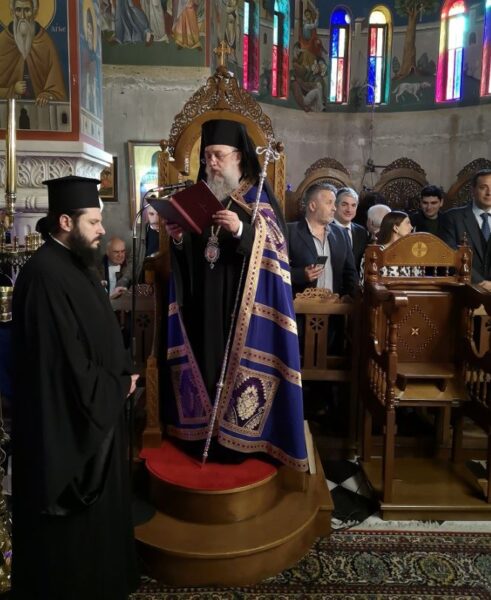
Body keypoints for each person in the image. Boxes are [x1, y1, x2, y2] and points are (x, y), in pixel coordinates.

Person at [11, 175, 139, 599]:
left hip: (98, 412)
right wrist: (115, 387)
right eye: (94, 221)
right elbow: (61, 367)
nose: (102, 229)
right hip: (71, 428)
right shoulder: (44, 276)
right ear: (65, 221)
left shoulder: (74, 262)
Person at [164, 119, 308, 471]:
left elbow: (277, 252)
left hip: (242, 308)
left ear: (239, 157)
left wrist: (243, 230)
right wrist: (178, 238)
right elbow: (192, 254)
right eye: (207, 156)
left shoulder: (257, 198)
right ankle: (203, 434)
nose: (211, 163)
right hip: (203, 302)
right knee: (206, 363)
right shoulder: (200, 196)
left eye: (218, 155)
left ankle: (239, 440)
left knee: (233, 369)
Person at [288, 182, 359, 298]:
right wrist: (300, 275)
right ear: (312, 206)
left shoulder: (341, 233)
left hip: (335, 306)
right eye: (329, 203)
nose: (334, 208)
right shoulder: (289, 232)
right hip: (299, 306)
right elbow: (276, 269)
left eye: (334, 203)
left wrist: (352, 301)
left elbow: (350, 273)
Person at [0, 0, 67, 104]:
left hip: (40, 111)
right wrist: (12, 90)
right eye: (18, 10)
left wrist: (47, 95)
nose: (22, 16)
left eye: (27, 10)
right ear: (12, 12)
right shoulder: (3, 41)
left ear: (34, 12)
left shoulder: (45, 43)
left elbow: (57, 89)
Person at [439, 169, 491, 289]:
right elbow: (450, 255)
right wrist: (479, 283)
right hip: (464, 290)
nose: (489, 193)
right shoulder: (452, 218)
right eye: (483, 187)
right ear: (473, 190)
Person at [360, 210, 415, 283]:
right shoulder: (375, 252)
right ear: (396, 228)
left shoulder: (411, 253)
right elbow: (364, 282)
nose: (411, 227)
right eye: (407, 223)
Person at [333, 187, 369, 269]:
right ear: (335, 205)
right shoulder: (325, 229)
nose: (349, 210)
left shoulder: (361, 232)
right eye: (344, 205)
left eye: (353, 205)